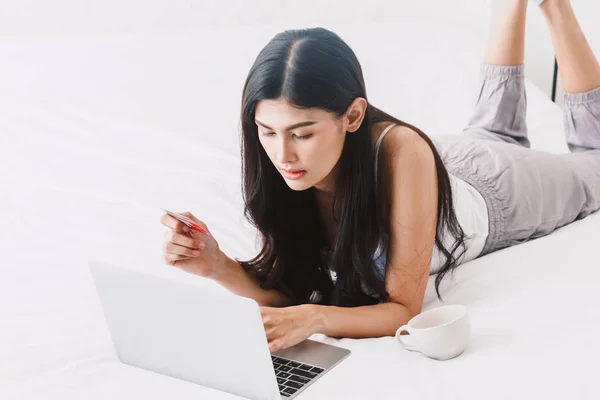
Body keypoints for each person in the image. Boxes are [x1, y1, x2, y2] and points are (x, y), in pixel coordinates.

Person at [160, 0, 600, 353]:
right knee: (491, 130)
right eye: (267, 131)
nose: (281, 153)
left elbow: (401, 310)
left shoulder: (403, 149)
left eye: (302, 133)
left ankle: (555, 6)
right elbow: (288, 289)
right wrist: (215, 264)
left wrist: (314, 317)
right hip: (438, 165)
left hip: (495, 191)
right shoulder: (285, 159)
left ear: (352, 115)